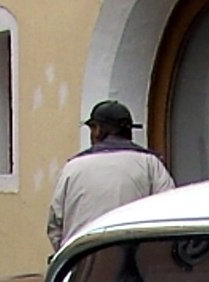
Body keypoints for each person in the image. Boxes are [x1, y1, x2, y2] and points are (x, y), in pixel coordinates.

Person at [48, 100, 176, 251]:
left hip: (82, 262)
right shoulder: (150, 164)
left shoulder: (72, 168)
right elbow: (170, 213)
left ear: (97, 130)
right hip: (135, 261)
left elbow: (55, 225)